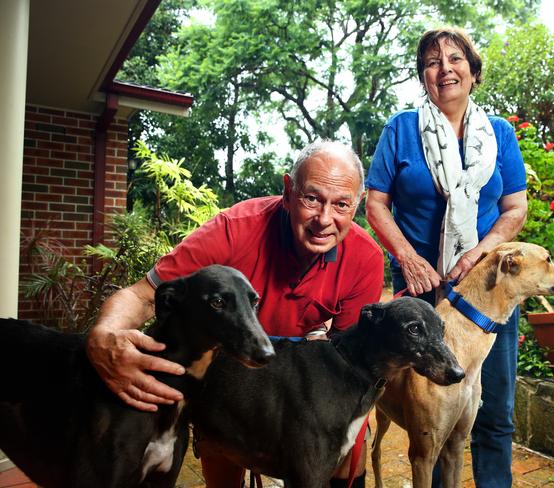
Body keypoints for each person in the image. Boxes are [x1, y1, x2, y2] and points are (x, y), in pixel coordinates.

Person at [86, 140, 385, 487]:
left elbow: (344, 364)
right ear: (288, 192)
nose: (324, 219)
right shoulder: (234, 230)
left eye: (341, 205)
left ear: (357, 204)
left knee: (345, 458)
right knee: (225, 464)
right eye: (312, 198)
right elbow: (143, 296)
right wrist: (103, 335)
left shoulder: (365, 259)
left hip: (294, 377)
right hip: (222, 376)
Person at [365, 27, 528, 487]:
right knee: (431, 411)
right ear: (423, 77)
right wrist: (408, 257)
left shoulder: (498, 134)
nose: (445, 69)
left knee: (494, 408)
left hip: (486, 293)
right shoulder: (401, 129)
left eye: (455, 59)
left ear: (473, 73)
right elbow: (375, 203)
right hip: (422, 294)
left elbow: (515, 207)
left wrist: (479, 253)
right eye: (433, 62)